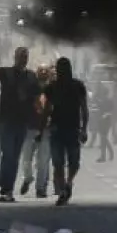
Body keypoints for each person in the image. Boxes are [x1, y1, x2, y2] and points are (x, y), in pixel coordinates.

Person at [0, 45, 39, 203]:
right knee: (8, 154)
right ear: (15, 57)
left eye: (26, 55)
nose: (24, 58)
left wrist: (40, 119)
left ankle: (8, 189)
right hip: (6, 121)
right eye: (21, 55)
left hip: (22, 122)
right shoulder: (5, 72)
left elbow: (37, 99)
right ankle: (6, 188)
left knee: (14, 157)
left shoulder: (31, 76)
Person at [39, 57, 88, 206]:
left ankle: (67, 183)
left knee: (73, 162)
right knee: (59, 163)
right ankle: (63, 190)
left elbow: (84, 108)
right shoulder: (51, 87)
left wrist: (84, 128)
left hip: (71, 128)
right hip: (58, 129)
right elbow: (47, 110)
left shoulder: (78, 86)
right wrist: (41, 129)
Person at [20, 64, 54, 199]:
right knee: (26, 159)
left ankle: (40, 188)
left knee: (43, 161)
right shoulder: (30, 89)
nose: (44, 72)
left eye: (46, 71)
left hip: (46, 129)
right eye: (41, 70)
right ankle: (28, 178)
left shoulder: (52, 90)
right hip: (30, 128)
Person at [94, 84, 114, 164]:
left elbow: (111, 110)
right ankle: (108, 154)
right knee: (103, 138)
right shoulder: (103, 100)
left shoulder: (108, 101)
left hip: (106, 121)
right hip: (102, 121)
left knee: (103, 138)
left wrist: (105, 115)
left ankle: (104, 156)